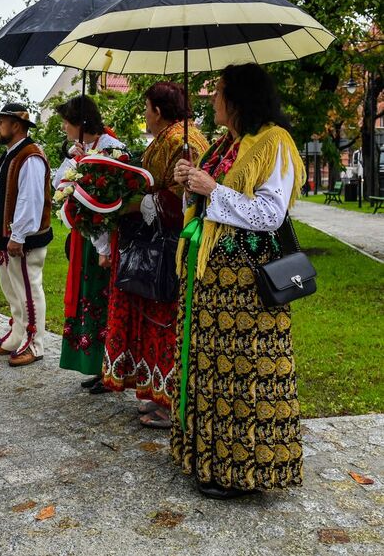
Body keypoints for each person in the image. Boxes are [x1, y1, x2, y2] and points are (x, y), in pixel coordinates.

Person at [171, 63, 305, 499]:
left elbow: (270, 215)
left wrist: (211, 189)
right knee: (211, 375)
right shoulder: (227, 143)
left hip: (247, 290)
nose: (212, 99)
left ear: (239, 97)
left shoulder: (273, 143)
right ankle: (207, 458)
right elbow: (208, 203)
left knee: (245, 377)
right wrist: (188, 184)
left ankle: (245, 472)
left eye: (219, 92)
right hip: (212, 285)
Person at [103, 83, 209, 428]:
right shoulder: (170, 138)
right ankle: (157, 391)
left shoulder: (184, 140)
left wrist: (138, 202)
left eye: (146, 109)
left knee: (167, 321)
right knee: (154, 318)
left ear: (159, 111)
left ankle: (171, 399)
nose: (145, 116)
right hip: (157, 242)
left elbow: (186, 198)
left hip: (172, 246)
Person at [51, 96, 126, 386]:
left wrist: (104, 247)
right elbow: (61, 184)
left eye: (67, 122)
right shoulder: (83, 149)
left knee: (102, 300)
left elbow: (107, 200)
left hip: (103, 237)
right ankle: (95, 364)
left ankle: (107, 366)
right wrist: (75, 159)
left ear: (81, 123)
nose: (64, 128)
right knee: (89, 299)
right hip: (86, 237)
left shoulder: (111, 148)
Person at [0, 103, 53, 367]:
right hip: (7, 237)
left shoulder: (30, 155)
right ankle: (18, 334)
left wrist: (19, 235)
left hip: (24, 240)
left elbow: (30, 199)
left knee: (29, 289)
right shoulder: (11, 154)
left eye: (1, 121)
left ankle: (35, 344)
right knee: (14, 291)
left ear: (16, 125)